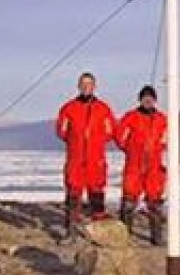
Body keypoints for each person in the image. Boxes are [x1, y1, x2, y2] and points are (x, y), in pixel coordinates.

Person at [55, 71, 116, 237]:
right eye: (83, 84)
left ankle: (99, 232)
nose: (86, 87)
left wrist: (95, 142)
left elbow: (110, 132)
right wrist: (77, 141)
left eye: (89, 84)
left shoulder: (103, 109)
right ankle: (71, 231)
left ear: (95, 87)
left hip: (95, 160)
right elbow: (62, 131)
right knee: (73, 194)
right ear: (78, 86)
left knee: (97, 194)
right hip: (76, 159)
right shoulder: (68, 108)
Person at [115, 85, 167, 245]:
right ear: (140, 99)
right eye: (145, 98)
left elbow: (166, 138)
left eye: (151, 98)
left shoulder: (162, 119)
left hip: (154, 165)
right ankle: (124, 235)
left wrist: (159, 149)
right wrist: (130, 149)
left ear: (155, 100)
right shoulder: (131, 116)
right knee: (129, 200)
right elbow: (119, 136)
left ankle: (156, 237)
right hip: (134, 164)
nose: (148, 101)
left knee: (155, 201)